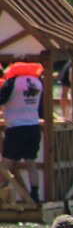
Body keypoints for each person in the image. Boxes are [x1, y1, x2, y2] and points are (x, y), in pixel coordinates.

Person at [0, 60, 44, 202]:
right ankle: (35, 195)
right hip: (33, 126)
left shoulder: (12, 83)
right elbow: (41, 107)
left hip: (16, 127)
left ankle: (2, 192)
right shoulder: (37, 82)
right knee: (31, 162)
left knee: (7, 163)